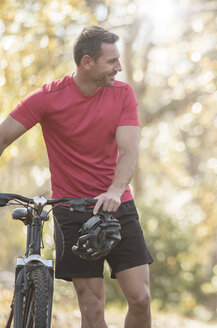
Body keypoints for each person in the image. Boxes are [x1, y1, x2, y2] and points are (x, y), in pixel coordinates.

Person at [0, 26, 153, 328]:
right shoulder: (48, 97)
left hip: (116, 204)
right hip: (72, 211)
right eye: (111, 62)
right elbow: (3, 135)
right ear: (87, 63)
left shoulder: (123, 94)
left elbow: (129, 150)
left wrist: (114, 190)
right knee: (92, 308)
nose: (119, 68)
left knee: (141, 298)